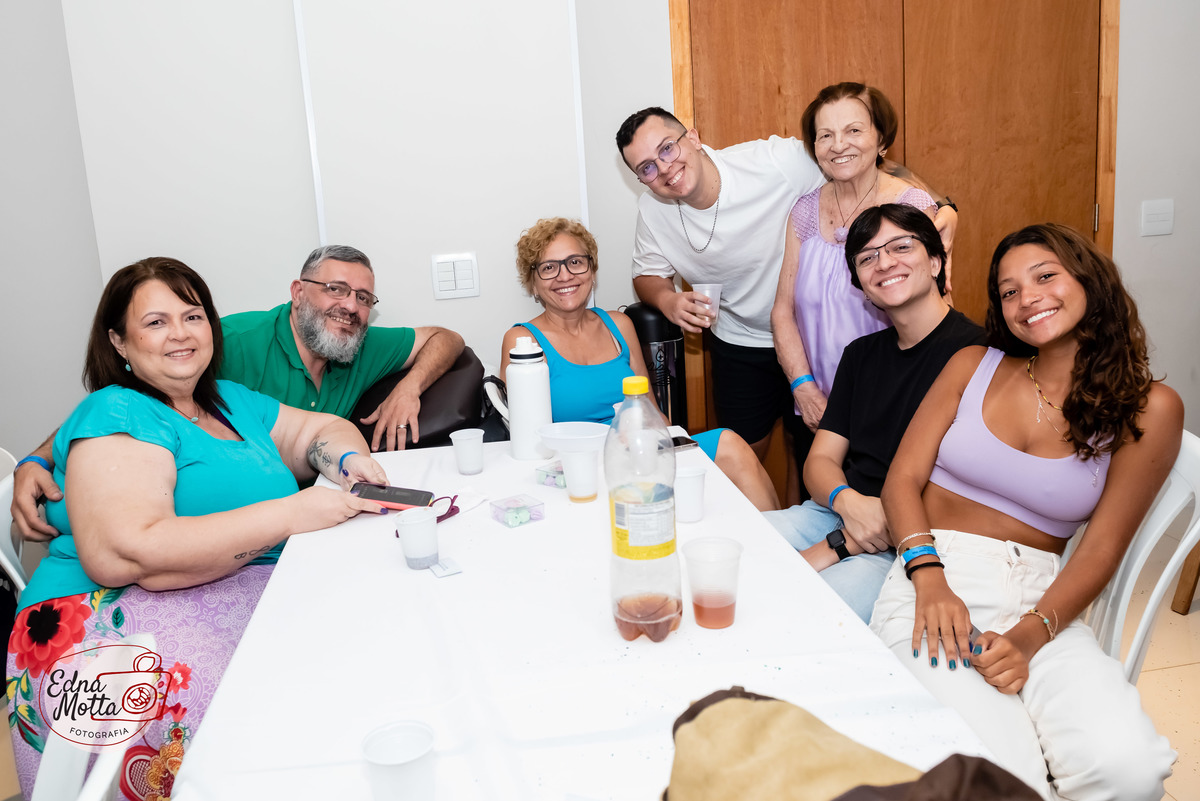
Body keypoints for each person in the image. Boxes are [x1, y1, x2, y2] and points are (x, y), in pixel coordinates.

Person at [6, 258, 389, 799]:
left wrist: (345, 460)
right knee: (274, 728)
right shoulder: (116, 411)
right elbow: (130, 554)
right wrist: (293, 514)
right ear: (118, 341)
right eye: (156, 322)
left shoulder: (227, 401)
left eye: (192, 317)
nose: (181, 334)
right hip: (106, 634)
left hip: (216, 591)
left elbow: (319, 430)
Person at [872, 224, 1182, 799]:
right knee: (1002, 777)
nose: (1027, 298)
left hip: (1045, 600)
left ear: (1089, 280)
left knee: (1129, 770)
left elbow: (1103, 547)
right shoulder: (973, 365)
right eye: (1009, 291)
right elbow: (901, 481)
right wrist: (928, 576)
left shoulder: (1149, 407)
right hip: (937, 578)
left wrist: (1031, 634)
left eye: (1044, 276)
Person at [11, 244, 464, 541]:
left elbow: (445, 338)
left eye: (364, 297)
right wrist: (37, 459)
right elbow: (110, 413)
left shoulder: (236, 394)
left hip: (299, 531)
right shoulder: (223, 346)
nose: (350, 305)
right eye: (335, 289)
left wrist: (406, 390)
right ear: (298, 293)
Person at [616, 105, 956, 498]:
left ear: (692, 137)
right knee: (743, 455)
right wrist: (668, 300)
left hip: (811, 338)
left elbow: (858, 159)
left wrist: (943, 205)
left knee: (809, 449)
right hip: (740, 341)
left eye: (667, 149)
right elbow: (646, 274)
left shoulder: (774, 162)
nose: (664, 169)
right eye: (646, 168)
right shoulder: (652, 210)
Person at [763, 205, 983, 622]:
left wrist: (845, 541)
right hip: (837, 513)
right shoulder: (861, 356)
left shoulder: (979, 355)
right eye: (867, 258)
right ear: (861, 286)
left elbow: (965, 489)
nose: (884, 263)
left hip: (914, 538)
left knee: (810, 614)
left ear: (936, 262)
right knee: (737, 549)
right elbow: (820, 461)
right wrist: (846, 502)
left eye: (901, 247)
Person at [499, 218, 779, 512]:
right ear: (533, 283)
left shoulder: (619, 325)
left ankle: (781, 537)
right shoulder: (523, 341)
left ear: (591, 270)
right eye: (548, 268)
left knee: (730, 445)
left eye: (575, 262)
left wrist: (671, 449)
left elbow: (652, 412)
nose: (565, 275)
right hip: (579, 468)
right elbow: (525, 439)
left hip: (641, 454)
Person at [772, 83, 943, 437]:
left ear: (881, 140)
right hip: (819, 406)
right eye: (826, 135)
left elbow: (936, 307)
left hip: (897, 404)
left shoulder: (911, 205)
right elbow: (783, 310)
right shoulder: (803, 212)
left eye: (853, 130)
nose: (838, 145)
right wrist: (803, 388)